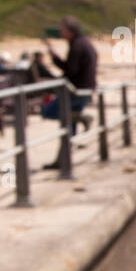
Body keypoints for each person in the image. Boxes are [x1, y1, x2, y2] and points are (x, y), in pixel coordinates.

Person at [40, 16, 97, 169]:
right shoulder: (83, 42)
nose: (60, 31)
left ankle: (81, 117)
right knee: (68, 127)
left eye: (62, 29)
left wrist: (55, 58)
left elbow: (71, 70)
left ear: (70, 30)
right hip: (85, 90)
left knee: (48, 111)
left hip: (76, 91)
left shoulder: (77, 45)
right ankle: (63, 160)